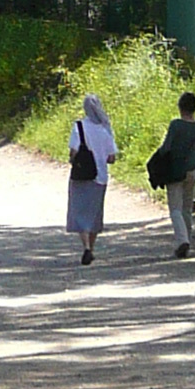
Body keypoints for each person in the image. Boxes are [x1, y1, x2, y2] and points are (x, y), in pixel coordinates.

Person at [153, 89, 195, 259]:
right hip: (192, 170)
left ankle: (182, 240)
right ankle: (186, 241)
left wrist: (157, 160)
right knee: (186, 208)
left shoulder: (175, 125)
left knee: (175, 208)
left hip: (175, 171)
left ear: (180, 107)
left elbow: (166, 148)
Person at [66, 91, 116, 266]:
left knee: (80, 212)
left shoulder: (78, 126)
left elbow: (73, 151)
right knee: (94, 214)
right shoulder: (105, 128)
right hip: (100, 177)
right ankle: (91, 249)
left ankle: (86, 247)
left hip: (81, 175)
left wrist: (74, 160)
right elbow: (112, 157)